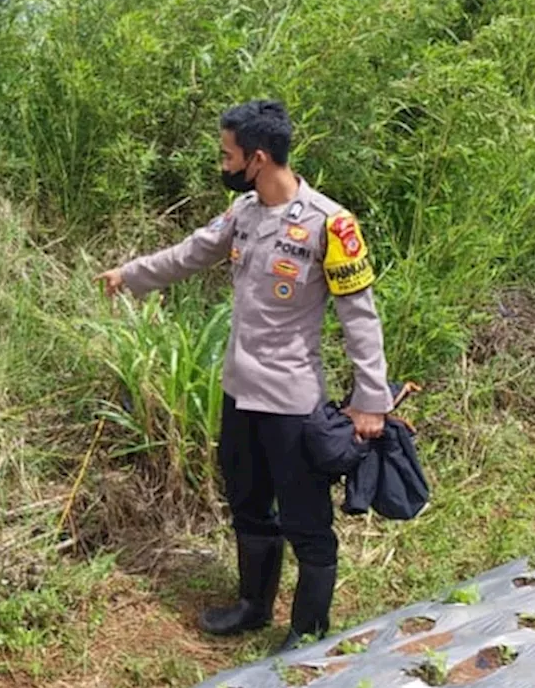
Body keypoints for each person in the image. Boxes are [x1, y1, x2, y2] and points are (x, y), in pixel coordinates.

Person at [95, 100, 392, 651]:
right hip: (240, 396)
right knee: (249, 505)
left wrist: (371, 399)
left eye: (227, 154)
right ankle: (254, 607)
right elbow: (189, 254)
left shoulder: (330, 224)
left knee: (306, 520)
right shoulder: (245, 214)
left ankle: (308, 630)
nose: (222, 163)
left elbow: (360, 318)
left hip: (292, 404)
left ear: (257, 158)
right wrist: (128, 275)